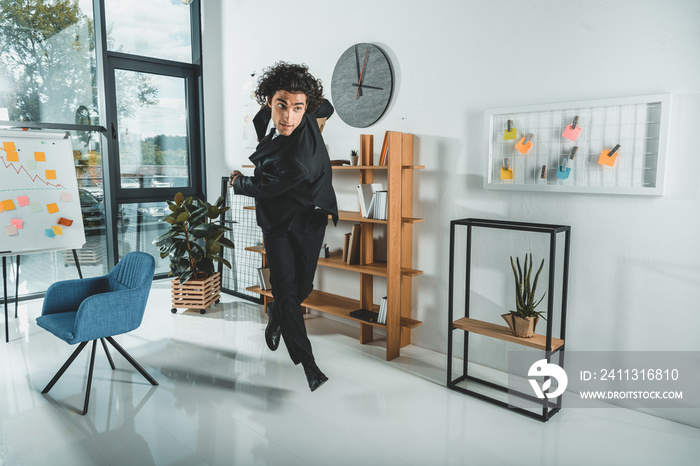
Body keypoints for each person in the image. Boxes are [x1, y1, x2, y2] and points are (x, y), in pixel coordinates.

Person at [229, 62, 338, 392]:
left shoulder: (297, 160)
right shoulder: (272, 117)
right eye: (281, 105)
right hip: (276, 222)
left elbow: (261, 187)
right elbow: (326, 106)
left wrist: (238, 182)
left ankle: (277, 313)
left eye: (298, 108)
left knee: (300, 289)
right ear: (269, 101)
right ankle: (309, 364)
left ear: (307, 107)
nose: (288, 117)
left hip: (308, 217)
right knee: (288, 290)